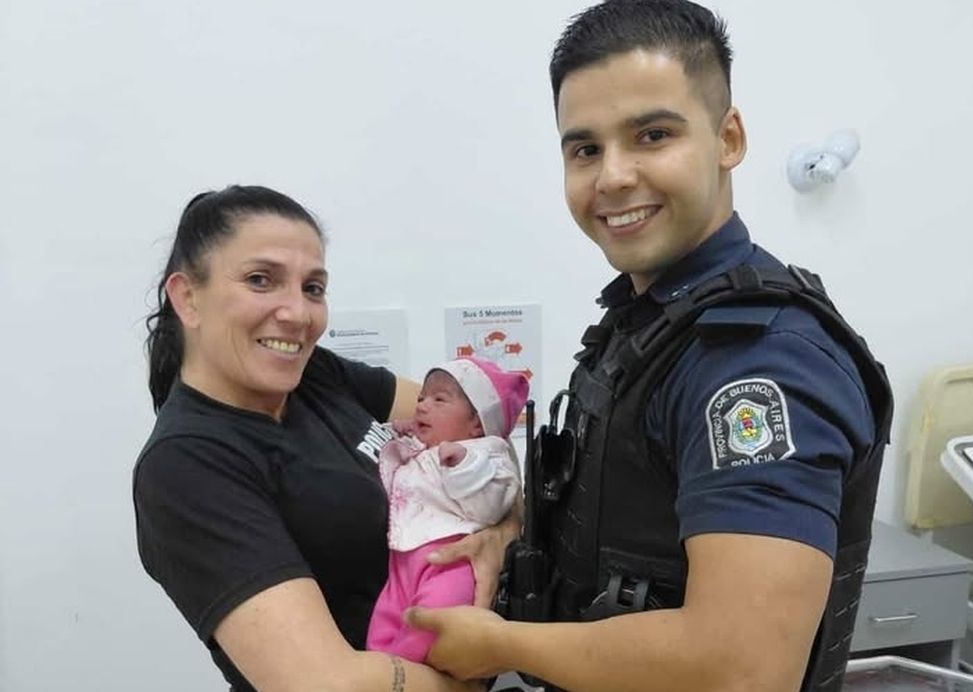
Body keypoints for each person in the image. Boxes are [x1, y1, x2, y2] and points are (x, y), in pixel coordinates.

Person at [405, 2, 893, 691]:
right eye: (586, 149)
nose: (612, 177)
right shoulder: (649, 321)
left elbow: (745, 667)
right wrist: (514, 539)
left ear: (728, 139)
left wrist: (503, 644)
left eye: (652, 135)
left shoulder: (759, 365)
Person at [132, 184, 515, 692]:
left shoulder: (315, 375)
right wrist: (470, 681)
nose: (297, 314)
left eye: (313, 288)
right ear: (187, 297)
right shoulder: (187, 466)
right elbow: (327, 683)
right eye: (260, 280)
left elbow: (481, 431)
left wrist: (504, 530)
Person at [367, 357, 528, 663]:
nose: (422, 405)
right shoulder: (423, 447)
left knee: (429, 622)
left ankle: (404, 671)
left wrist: (466, 467)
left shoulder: (484, 456)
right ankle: (381, 670)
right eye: (420, 398)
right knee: (384, 622)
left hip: (451, 559)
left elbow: (494, 504)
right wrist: (401, 434)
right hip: (401, 561)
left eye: (439, 399)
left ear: (477, 423)